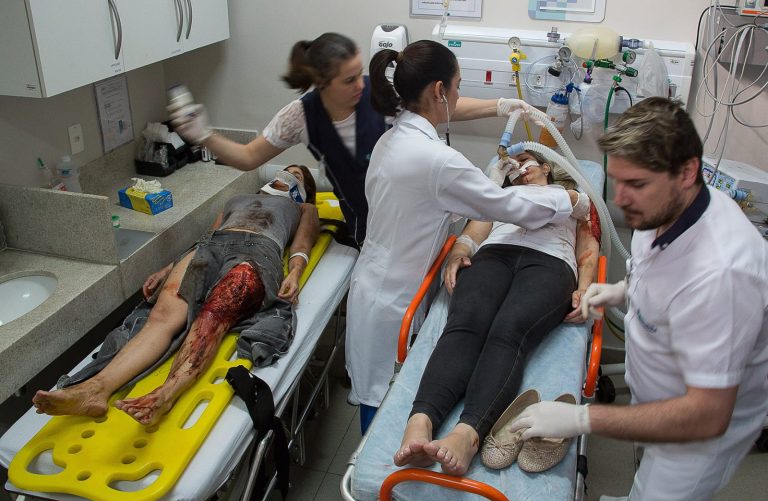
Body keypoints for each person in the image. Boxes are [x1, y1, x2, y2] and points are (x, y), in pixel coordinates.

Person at [508, 97, 768, 501]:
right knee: (645, 472)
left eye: (637, 184)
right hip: (659, 391)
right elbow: (656, 270)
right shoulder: (661, 210)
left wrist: (581, 419)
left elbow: (706, 415)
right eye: (618, 181)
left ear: (687, 173)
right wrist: (622, 291)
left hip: (695, 434)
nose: (622, 199)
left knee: (660, 499)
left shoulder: (724, 275)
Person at [346, 39, 583, 434]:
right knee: (382, 406)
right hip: (395, 295)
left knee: (388, 394)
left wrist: (502, 106)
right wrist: (570, 200)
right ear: (439, 90)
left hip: (379, 280)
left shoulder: (394, 136)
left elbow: (451, 179)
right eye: (457, 86)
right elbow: (508, 207)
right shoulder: (437, 160)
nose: (458, 96)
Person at [170, 32, 537, 246]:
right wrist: (204, 136)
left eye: (359, 73)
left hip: (412, 213)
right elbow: (249, 157)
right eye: (348, 80)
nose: (359, 85)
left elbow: (440, 106)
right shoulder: (301, 116)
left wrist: (501, 106)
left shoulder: (374, 93)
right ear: (321, 84)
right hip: (368, 224)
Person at [32, 166, 320, 426]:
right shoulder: (238, 199)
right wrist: (168, 268)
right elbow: (206, 236)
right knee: (161, 317)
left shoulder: (303, 207)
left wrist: (294, 273)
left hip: (258, 252)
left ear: (304, 189)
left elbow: (302, 245)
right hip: (210, 248)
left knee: (212, 317)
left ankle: (166, 395)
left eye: (295, 175)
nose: (286, 175)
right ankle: (95, 389)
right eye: (284, 170)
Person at [393, 150, 599, 475]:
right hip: (494, 254)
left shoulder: (569, 198)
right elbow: (474, 232)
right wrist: (459, 252)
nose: (520, 169)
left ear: (546, 167)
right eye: (514, 167)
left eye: (526, 161)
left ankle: (467, 434)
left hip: (551, 262)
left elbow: (588, 246)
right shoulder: (499, 196)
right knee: (465, 323)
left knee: (508, 330)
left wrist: (585, 287)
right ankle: (420, 422)